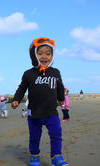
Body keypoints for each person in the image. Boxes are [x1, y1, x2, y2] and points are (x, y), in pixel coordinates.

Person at [11, 37, 68, 166]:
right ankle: (34, 157)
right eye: (40, 53)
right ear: (33, 55)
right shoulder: (28, 74)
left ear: (52, 56)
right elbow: (21, 88)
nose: (44, 57)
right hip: (34, 113)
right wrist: (16, 99)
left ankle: (56, 157)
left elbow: (60, 87)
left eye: (48, 54)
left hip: (51, 112)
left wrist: (61, 99)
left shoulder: (55, 72)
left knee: (56, 134)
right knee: (34, 137)